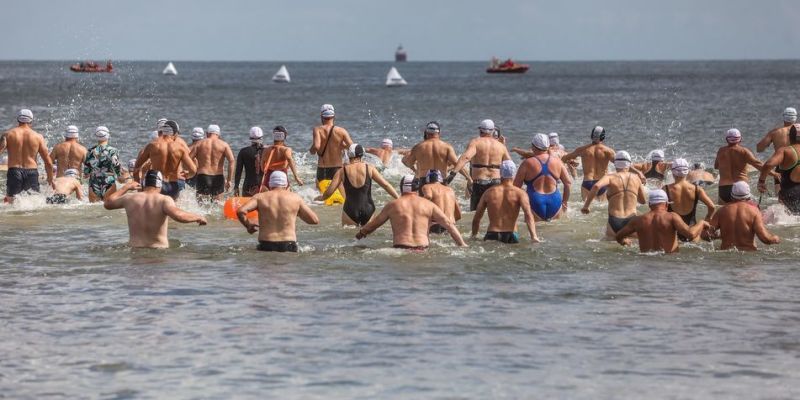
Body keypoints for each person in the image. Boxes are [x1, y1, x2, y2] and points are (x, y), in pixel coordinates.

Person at [355, 175, 467, 250]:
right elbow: (449, 225)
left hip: (400, 248)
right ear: (417, 188)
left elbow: (374, 225)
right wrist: (462, 244)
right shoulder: (429, 205)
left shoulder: (393, 205)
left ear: (401, 188)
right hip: (422, 249)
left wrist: (360, 234)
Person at [103, 170, 207, 249]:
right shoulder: (164, 200)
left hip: (135, 250)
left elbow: (108, 203)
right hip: (159, 250)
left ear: (144, 183)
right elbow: (178, 216)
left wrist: (126, 187)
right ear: (160, 184)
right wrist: (198, 217)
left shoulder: (129, 198)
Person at [236, 171, 319, 252]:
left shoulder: (260, 197)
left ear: (270, 184)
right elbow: (314, 220)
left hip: (266, 245)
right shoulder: (296, 198)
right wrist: (296, 213)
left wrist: (248, 225)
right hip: (288, 245)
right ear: (286, 184)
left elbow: (241, 211)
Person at [316, 144, 399, 225]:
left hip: (350, 211)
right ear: (361, 155)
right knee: (367, 236)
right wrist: (399, 198)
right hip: (368, 210)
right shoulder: (369, 168)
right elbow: (386, 185)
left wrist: (321, 198)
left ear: (349, 155)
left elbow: (329, 192)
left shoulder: (342, 171)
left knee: (348, 237)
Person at [615, 189, 709, 253]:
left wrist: (624, 241)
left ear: (650, 204)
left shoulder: (638, 220)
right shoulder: (672, 217)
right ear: (666, 204)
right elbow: (691, 235)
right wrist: (702, 222)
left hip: (646, 262)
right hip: (669, 262)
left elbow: (618, 236)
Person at [581, 151, 646, 237]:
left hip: (614, 220)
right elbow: (643, 201)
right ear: (629, 164)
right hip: (632, 221)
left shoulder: (609, 177)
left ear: (615, 164)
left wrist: (586, 206)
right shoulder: (636, 178)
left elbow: (596, 186)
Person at [452, 119, 512, 211]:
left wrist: (453, 173)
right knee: (495, 212)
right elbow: (509, 165)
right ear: (493, 131)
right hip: (496, 183)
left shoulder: (475, 142)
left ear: (480, 130)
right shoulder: (501, 146)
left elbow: (466, 158)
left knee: (476, 214)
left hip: (479, 183)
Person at [472, 160, 538, 243]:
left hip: (492, 234)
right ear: (514, 174)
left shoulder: (489, 192)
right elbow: (528, 214)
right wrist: (534, 236)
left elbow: (477, 218)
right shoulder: (520, 193)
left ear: (500, 173)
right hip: (511, 235)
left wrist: (473, 236)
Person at [513, 134, 572, 221]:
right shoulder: (557, 162)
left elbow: (515, 187)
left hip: (535, 201)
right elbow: (568, 183)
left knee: (536, 232)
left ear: (533, 146)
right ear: (548, 146)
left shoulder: (527, 163)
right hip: (555, 201)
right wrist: (565, 201)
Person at [0, 109, 54, 202]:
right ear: (31, 121)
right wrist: (50, 179)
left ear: (18, 119)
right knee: (33, 202)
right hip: (31, 173)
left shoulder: (8, 134)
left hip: (14, 172)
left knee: (12, 203)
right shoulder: (38, 137)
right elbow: (48, 162)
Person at [707, 181, 779, 251]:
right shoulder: (754, 211)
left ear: (732, 196)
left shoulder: (721, 211)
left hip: (726, 255)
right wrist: (775, 238)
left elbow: (706, 235)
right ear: (748, 196)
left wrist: (719, 236)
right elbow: (765, 239)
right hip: (748, 254)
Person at [134, 120, 196, 200]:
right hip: (173, 187)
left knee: (156, 210)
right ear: (175, 133)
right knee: (171, 209)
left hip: (157, 184)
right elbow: (193, 170)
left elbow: (137, 165)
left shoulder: (153, 145)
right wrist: (187, 174)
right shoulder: (180, 148)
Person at [402, 121, 471, 189]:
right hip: (441, 181)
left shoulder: (418, 147)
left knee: (424, 200)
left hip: (424, 182)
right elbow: (457, 164)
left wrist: (415, 169)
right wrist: (468, 178)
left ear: (426, 132)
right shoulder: (447, 147)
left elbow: (408, 162)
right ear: (439, 133)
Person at [664, 159, 716, 241]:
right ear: (687, 171)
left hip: (674, 234)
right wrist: (707, 220)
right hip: (693, 232)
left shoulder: (665, 189)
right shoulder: (697, 189)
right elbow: (712, 207)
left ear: (673, 172)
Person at [562, 126, 616, 201]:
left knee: (585, 209)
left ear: (591, 136)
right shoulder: (608, 151)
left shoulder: (583, 149)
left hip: (587, 183)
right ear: (603, 137)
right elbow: (620, 165)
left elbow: (564, 159)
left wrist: (570, 162)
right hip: (602, 183)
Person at [714, 128, 765, 204]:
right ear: (740, 139)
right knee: (744, 213)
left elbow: (716, 166)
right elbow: (758, 165)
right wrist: (775, 174)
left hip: (723, 188)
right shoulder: (744, 151)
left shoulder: (721, 151)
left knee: (724, 213)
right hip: (740, 188)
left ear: (726, 139)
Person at [758, 123, 800, 214]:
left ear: (790, 137)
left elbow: (769, 165)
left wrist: (761, 181)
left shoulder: (785, 151)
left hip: (789, 194)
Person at [309, 104, 353, 186]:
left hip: (323, 168)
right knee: (340, 196)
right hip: (337, 168)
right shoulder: (341, 131)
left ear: (321, 116)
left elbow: (316, 146)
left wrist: (311, 150)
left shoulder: (317, 129)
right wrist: (342, 145)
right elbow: (352, 147)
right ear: (334, 116)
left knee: (321, 195)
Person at [189, 124, 235, 201]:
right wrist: (229, 180)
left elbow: (189, 159)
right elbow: (232, 161)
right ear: (218, 134)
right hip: (218, 177)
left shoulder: (199, 144)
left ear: (207, 134)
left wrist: (189, 172)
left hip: (203, 176)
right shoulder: (224, 145)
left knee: (200, 205)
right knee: (216, 205)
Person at [83, 126, 122, 202]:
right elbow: (116, 164)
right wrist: (119, 175)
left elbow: (86, 171)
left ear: (96, 136)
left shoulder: (90, 151)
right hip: (109, 181)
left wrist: (87, 173)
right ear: (108, 135)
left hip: (94, 182)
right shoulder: (113, 150)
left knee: (93, 209)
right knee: (109, 208)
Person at [257, 126, 304, 190]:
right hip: (282, 178)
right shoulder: (286, 149)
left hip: (268, 178)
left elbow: (262, 168)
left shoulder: (266, 150)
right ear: (285, 136)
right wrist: (296, 177)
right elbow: (290, 159)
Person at [421, 169, 461, 234]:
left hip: (437, 224)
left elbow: (428, 196)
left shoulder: (427, 186)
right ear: (440, 179)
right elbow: (459, 215)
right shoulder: (450, 190)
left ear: (427, 179)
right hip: (451, 225)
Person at [234, 127, 264, 196]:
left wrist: (236, 187)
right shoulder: (267, 151)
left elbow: (238, 171)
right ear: (261, 137)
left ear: (250, 138)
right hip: (263, 186)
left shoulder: (243, 151)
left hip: (248, 187)